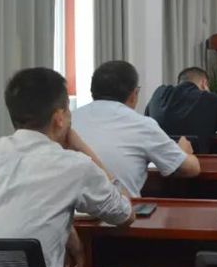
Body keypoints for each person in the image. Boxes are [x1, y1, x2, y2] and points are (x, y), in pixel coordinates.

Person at [0, 67, 134, 267]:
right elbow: (125, 215)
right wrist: (83, 148)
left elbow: (24, 205)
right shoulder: (74, 165)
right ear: (59, 118)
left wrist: (69, 234)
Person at [71, 60, 201, 197]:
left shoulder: (71, 118)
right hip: (119, 209)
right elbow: (191, 169)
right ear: (134, 94)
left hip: (68, 208)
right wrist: (183, 152)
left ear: (92, 92)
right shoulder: (142, 125)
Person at [145, 66, 217, 154]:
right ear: (204, 83)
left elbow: (146, 126)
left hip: (156, 164)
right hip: (196, 165)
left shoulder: (159, 95)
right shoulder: (211, 99)